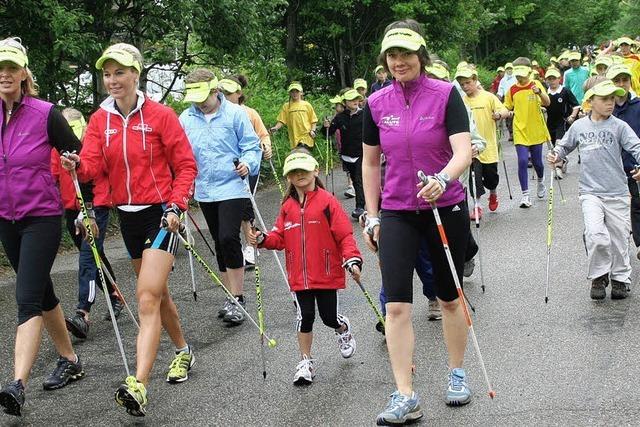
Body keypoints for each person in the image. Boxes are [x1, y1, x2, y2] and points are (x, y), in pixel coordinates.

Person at [61, 43, 198, 416]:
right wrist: (74, 163)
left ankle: (138, 383)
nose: (112, 80)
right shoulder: (99, 120)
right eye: (107, 74)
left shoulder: (160, 116)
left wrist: (176, 205)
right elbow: (91, 168)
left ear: (136, 73)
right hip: (128, 215)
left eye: (119, 72)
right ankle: (183, 351)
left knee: (146, 298)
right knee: (159, 293)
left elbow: (186, 166)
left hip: (161, 213)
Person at [362, 20, 473, 424]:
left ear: (421, 57)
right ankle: (404, 393)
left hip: (444, 206)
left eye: (406, 54)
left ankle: (457, 373)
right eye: (391, 55)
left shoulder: (446, 94)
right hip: (396, 210)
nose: (398, 61)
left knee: (448, 297)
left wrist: (444, 178)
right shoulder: (377, 103)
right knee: (396, 305)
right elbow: (371, 163)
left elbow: (463, 151)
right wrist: (371, 214)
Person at [0, 37, 85, 418]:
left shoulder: (45, 113)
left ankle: (17, 384)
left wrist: (72, 161)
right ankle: (69, 358)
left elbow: (77, 152)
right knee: (42, 291)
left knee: (26, 299)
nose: (5, 74)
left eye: (12, 68)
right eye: (0, 67)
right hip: (6, 219)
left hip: (42, 218)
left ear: (23, 74)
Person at [249, 149, 362, 385]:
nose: (299, 174)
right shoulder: (287, 207)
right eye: (294, 171)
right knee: (305, 316)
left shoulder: (327, 202)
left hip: (326, 273)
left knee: (328, 317)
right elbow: (279, 237)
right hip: (299, 277)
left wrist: (352, 258)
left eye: (303, 169)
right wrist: (262, 239)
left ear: (315, 171)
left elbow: (344, 235)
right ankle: (305, 361)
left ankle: (342, 328)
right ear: (288, 177)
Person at [180, 69, 261, 326]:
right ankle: (229, 296)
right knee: (218, 241)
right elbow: (181, 152)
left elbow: (251, 145)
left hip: (233, 186)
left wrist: (248, 163)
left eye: (204, 96)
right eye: (195, 97)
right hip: (205, 189)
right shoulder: (186, 118)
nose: (200, 102)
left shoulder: (235, 114)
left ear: (216, 91)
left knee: (228, 237)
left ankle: (238, 297)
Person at [548, 79, 640, 300]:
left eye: (612, 99)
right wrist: (556, 156)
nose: (611, 103)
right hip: (590, 192)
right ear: (590, 101)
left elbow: (636, 147)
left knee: (618, 238)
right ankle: (599, 275)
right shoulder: (580, 126)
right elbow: (565, 145)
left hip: (617, 191)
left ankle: (620, 278)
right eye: (605, 99)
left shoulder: (619, 126)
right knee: (596, 234)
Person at [50, 108, 122, 339]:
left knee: (87, 257)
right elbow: (53, 178)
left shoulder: (94, 144)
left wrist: (89, 209)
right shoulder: (57, 148)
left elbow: (100, 175)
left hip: (96, 206)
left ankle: (83, 313)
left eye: (75, 128)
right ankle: (114, 295)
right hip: (71, 208)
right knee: (95, 256)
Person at [217, 75, 273, 268]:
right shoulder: (214, 114)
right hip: (225, 172)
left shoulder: (249, 113)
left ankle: (250, 246)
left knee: (245, 205)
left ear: (238, 93)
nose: (224, 96)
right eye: (221, 92)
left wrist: (266, 147)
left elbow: (263, 135)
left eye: (228, 93)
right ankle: (237, 245)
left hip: (248, 168)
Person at [455, 66, 509, 214]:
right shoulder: (461, 101)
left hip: (489, 146)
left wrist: (498, 115)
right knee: (474, 178)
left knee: (491, 178)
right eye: (462, 84)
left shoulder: (488, 97)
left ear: (475, 80)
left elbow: (505, 111)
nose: (465, 87)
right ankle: (477, 206)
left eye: (467, 83)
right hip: (473, 147)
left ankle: (493, 193)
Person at [503, 57, 551, 208]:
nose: (519, 77)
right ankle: (525, 196)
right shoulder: (512, 89)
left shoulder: (535, 85)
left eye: (522, 74)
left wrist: (539, 93)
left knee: (538, 163)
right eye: (517, 74)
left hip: (536, 128)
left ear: (529, 72)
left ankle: (541, 181)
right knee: (523, 161)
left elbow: (547, 102)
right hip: (519, 129)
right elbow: (507, 106)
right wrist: (500, 114)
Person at [608, 64, 640, 261]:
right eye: (617, 81)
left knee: (637, 204)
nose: (621, 84)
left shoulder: (638, 105)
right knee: (618, 210)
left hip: (635, 165)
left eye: (624, 80)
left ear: (630, 81)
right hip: (612, 168)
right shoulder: (605, 107)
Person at [325, 88, 365, 219]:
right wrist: (326, 126)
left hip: (362, 153)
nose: (355, 101)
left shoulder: (364, 115)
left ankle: (360, 207)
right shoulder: (340, 117)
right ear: (345, 102)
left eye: (356, 99)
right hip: (347, 155)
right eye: (351, 99)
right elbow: (329, 132)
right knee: (354, 179)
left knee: (358, 180)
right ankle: (368, 202)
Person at [544, 68, 579, 178]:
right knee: (553, 146)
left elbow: (576, 105)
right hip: (550, 123)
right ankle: (563, 160)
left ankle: (558, 169)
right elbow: (542, 106)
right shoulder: (545, 93)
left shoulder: (565, 91)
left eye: (554, 78)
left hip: (562, 121)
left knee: (559, 143)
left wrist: (572, 116)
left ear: (559, 79)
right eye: (549, 79)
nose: (552, 81)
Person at [271, 82, 318, 149]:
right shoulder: (286, 106)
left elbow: (313, 120)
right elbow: (282, 120)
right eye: (292, 92)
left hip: (307, 135)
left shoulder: (307, 105)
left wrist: (313, 130)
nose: (294, 93)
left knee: (302, 151)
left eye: (297, 91)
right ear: (290, 93)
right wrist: (275, 128)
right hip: (294, 137)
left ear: (301, 93)